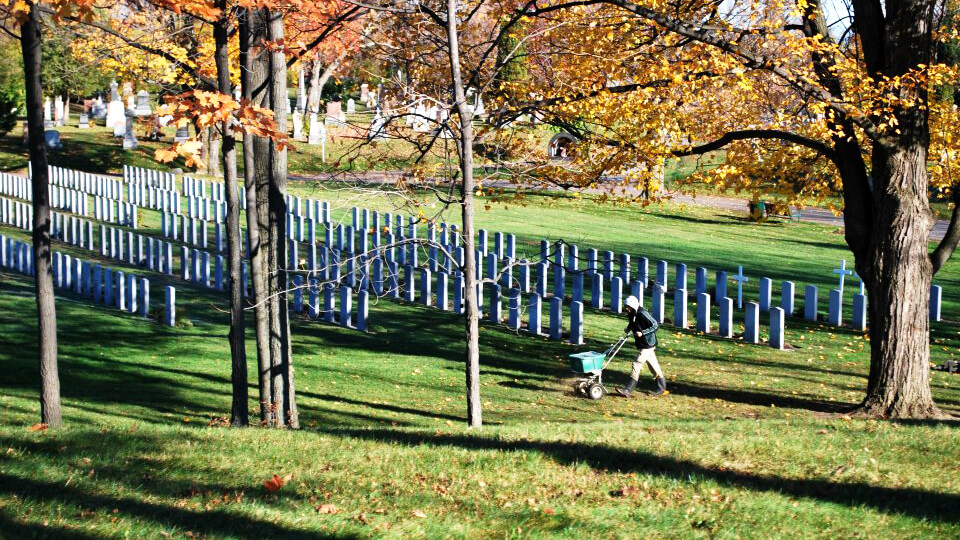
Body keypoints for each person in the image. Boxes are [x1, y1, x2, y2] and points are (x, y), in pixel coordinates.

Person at [617, 295, 667, 397]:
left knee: (637, 363)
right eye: (625, 306)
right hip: (642, 343)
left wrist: (643, 333)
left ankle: (628, 390)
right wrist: (628, 328)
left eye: (627, 306)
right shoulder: (632, 313)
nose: (626, 308)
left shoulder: (643, 313)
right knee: (654, 366)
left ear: (633, 305)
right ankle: (662, 388)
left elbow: (656, 325)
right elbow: (633, 323)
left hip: (648, 344)